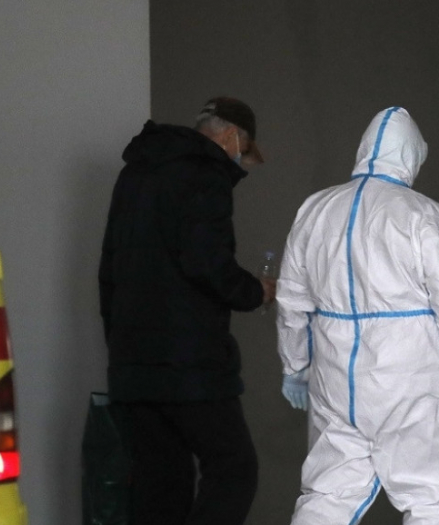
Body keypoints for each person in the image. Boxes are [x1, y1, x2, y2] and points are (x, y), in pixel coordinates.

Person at [276, 106, 439, 525]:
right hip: (408, 378)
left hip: (335, 377)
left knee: (328, 494)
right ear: (411, 155)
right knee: (430, 497)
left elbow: (292, 300)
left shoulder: (316, 209)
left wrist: (296, 366)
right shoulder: (422, 214)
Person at [98, 96, 274, 525]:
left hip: (133, 365)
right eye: (244, 152)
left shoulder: (135, 173)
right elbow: (206, 262)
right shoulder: (204, 174)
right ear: (231, 136)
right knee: (234, 468)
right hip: (189, 366)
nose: (241, 163)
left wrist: (120, 348)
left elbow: (109, 271)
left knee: (161, 484)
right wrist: (257, 291)